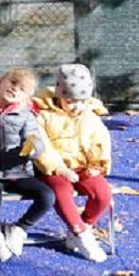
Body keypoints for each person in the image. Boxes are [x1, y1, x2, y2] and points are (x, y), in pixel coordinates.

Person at [32, 63, 112, 263]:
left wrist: (97, 164)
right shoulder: (43, 115)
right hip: (54, 169)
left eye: (80, 101)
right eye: (69, 100)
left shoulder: (91, 116)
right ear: (60, 96)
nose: (75, 106)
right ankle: (80, 233)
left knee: (102, 194)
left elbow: (100, 142)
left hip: (83, 166)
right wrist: (59, 168)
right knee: (61, 191)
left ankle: (83, 226)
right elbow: (40, 146)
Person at [0, 67, 54, 263]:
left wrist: (31, 148)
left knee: (47, 196)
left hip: (19, 172)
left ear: (26, 98)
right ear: (1, 82)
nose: (14, 89)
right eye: (12, 83)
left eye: (22, 89)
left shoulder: (26, 115)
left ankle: (19, 228)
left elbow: (38, 143)